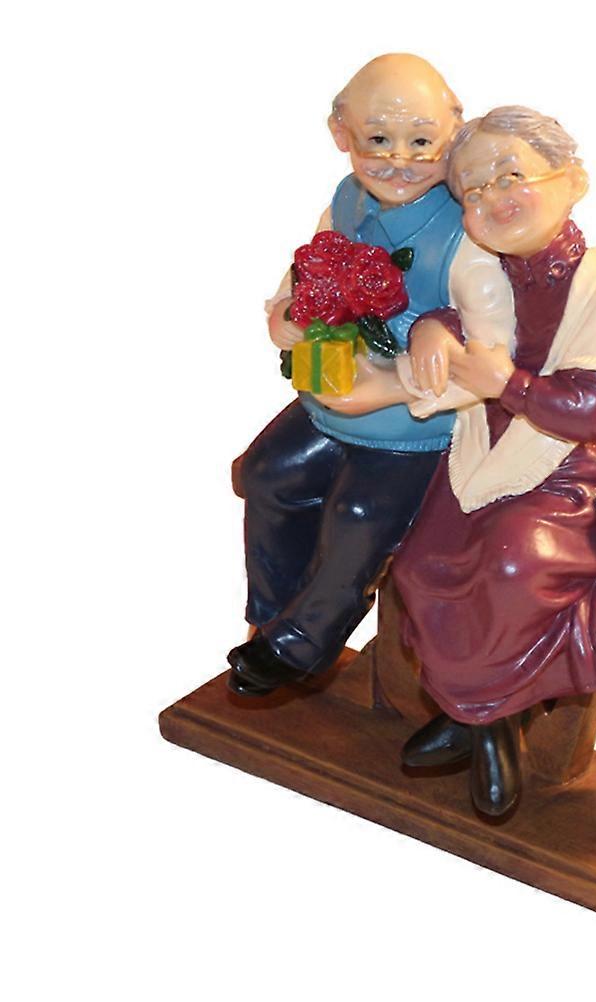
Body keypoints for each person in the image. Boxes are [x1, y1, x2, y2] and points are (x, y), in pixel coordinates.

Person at [392, 107, 596, 816]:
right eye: (474, 190)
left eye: (511, 175)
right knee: (423, 561)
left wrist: (505, 383)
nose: (494, 197)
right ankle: (482, 714)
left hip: (580, 463)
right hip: (493, 444)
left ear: (572, 180)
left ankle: (482, 725)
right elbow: (472, 324)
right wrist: (431, 329)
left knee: (514, 560)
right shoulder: (489, 275)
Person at [227, 55, 512, 695]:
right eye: (378, 139)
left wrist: (389, 387)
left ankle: (303, 644)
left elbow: (492, 362)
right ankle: (271, 617)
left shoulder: (468, 232)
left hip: (421, 428)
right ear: (341, 133)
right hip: (330, 398)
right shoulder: (346, 200)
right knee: (270, 470)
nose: (399, 160)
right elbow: (307, 265)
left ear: (454, 131)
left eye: (421, 141)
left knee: (358, 511)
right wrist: (285, 311)